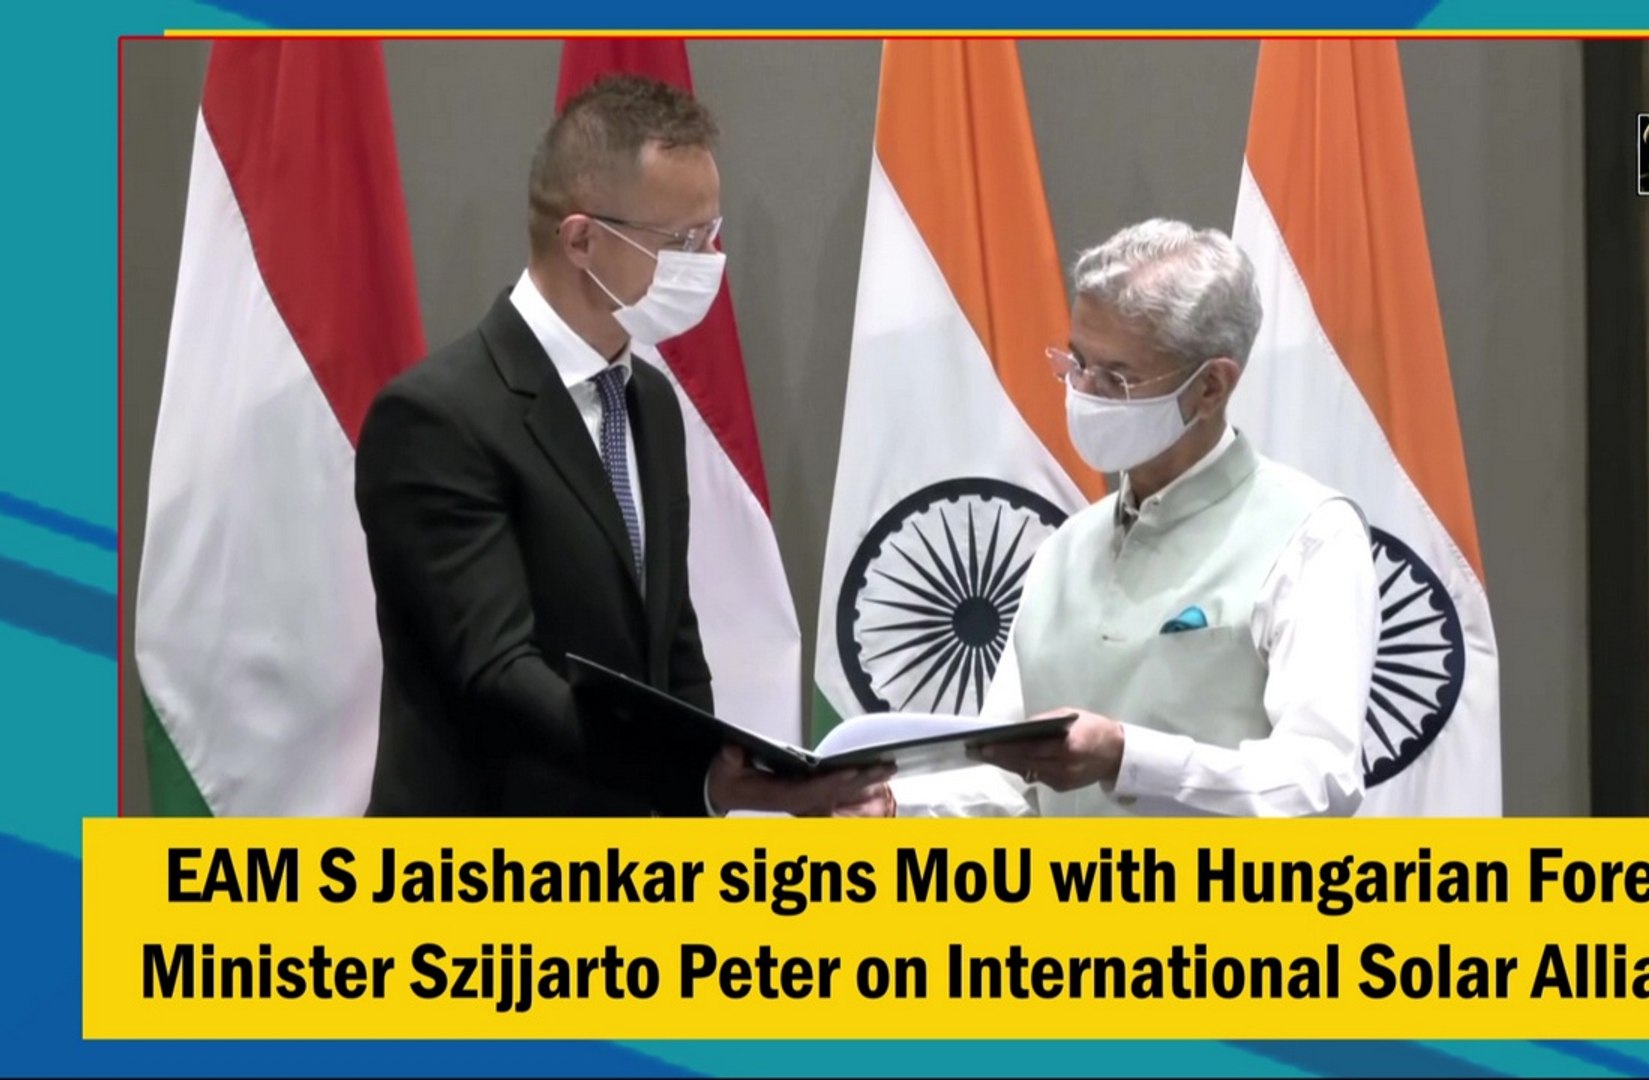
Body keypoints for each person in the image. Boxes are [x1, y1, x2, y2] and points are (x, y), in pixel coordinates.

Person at [354, 75, 887, 817]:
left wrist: (728, 782)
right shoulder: (436, 418)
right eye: (682, 242)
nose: (708, 261)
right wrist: (696, 780)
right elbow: (497, 675)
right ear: (581, 239)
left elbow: (672, 646)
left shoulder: (650, 401)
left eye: (712, 234)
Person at [841, 220, 1380, 818]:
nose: (1085, 392)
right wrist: (891, 806)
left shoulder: (1310, 536)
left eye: (1116, 378)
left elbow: (1319, 783)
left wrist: (1128, 758)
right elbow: (1013, 785)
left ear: (1211, 387)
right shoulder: (1064, 549)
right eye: (1077, 363)